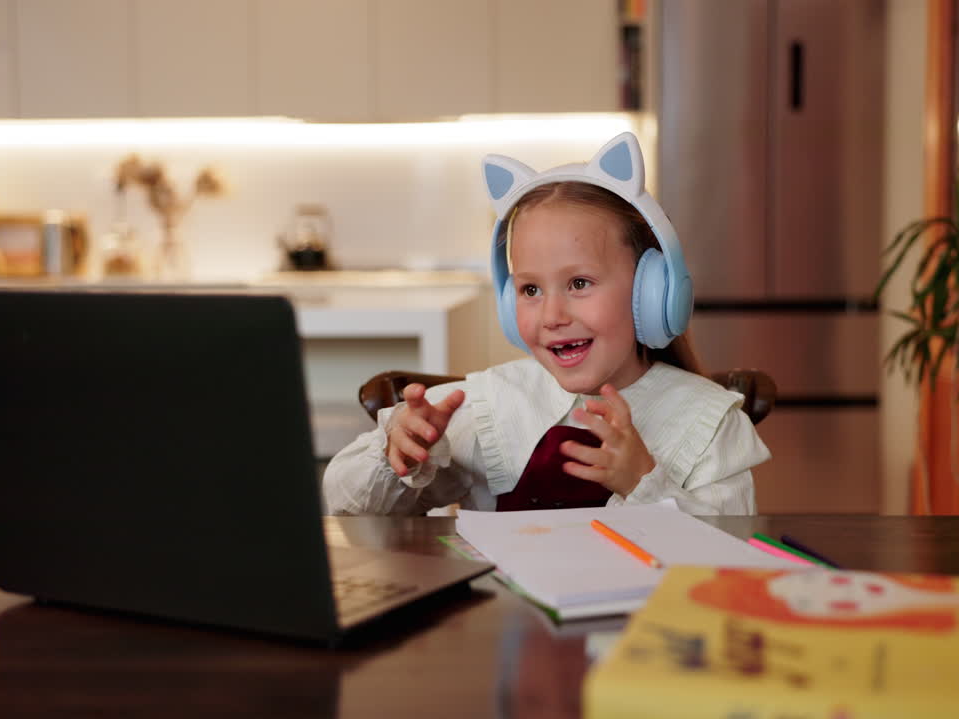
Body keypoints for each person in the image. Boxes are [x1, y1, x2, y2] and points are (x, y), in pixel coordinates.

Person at [323, 132, 770, 515]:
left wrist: (643, 484)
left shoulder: (711, 422)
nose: (553, 317)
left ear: (651, 292)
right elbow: (345, 505)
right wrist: (397, 452)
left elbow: (727, 552)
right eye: (530, 290)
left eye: (579, 282)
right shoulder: (487, 407)